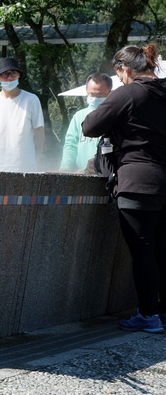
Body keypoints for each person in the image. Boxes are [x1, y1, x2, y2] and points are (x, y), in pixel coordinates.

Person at [83, 43, 166, 334]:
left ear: (125, 70)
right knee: (161, 249)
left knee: (143, 251)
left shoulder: (128, 92)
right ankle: (161, 312)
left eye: (119, 73)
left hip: (138, 183)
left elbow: (90, 126)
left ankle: (148, 315)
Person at [0, 57, 45, 172]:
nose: (9, 78)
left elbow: (39, 132)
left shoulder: (31, 100)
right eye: (4, 74)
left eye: (13, 74)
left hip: (25, 164)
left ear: (19, 76)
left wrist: (36, 156)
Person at [59, 73, 113, 173]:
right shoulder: (78, 116)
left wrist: (98, 163)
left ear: (110, 92)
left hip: (106, 174)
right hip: (82, 173)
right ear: (86, 91)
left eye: (100, 95)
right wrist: (65, 168)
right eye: (92, 94)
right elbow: (71, 145)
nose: (96, 98)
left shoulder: (115, 116)